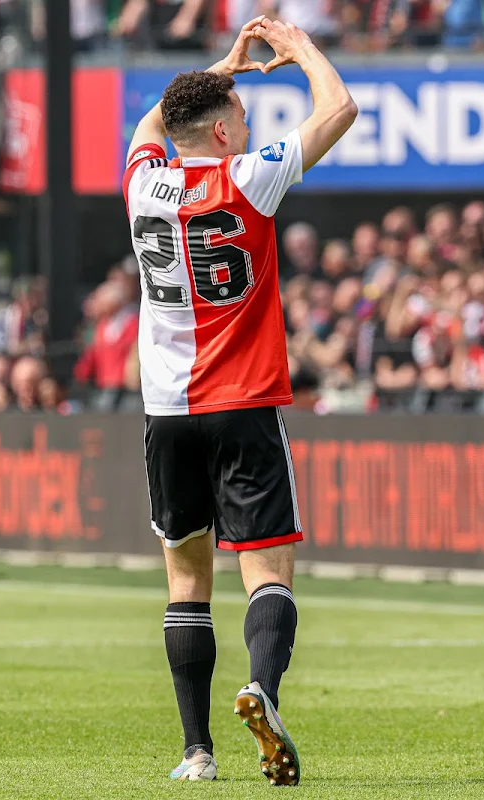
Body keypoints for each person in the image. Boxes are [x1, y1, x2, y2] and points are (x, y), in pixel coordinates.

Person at [124, 15, 356, 785]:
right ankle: (262, 686)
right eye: (243, 118)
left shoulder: (141, 186)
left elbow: (149, 123)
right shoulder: (248, 177)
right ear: (224, 133)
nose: (250, 126)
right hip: (245, 401)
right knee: (269, 572)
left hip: (167, 412)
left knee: (186, 581)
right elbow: (340, 110)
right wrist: (300, 53)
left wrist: (218, 68)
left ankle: (196, 753)